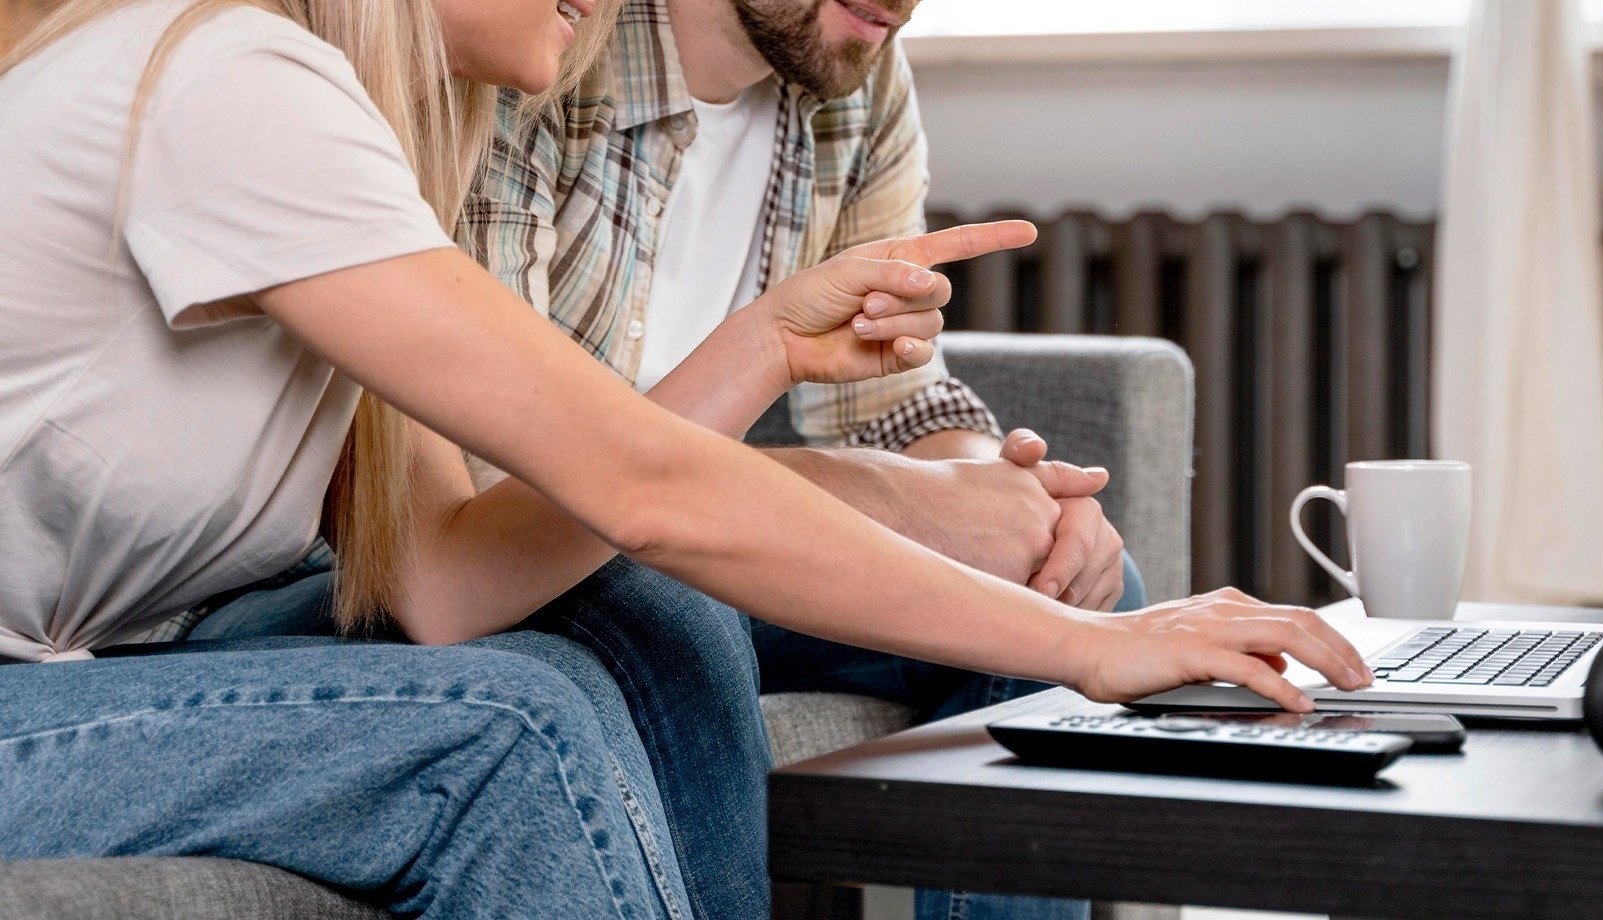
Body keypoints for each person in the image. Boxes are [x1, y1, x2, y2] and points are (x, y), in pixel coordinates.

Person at [0, 3, 1372, 920]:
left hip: (96, 673)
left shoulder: (361, 136)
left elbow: (444, 581)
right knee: (519, 723)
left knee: (531, 676)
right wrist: (1089, 648)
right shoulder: (232, 86)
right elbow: (640, 488)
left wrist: (768, 346)